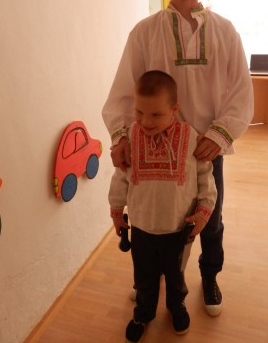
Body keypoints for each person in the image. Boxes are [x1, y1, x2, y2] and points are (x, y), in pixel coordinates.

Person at [102, 0, 254, 318]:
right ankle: (148, 282)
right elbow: (121, 93)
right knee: (152, 223)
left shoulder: (224, 32)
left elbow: (240, 94)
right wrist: (121, 138)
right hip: (152, 149)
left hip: (204, 149)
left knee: (209, 221)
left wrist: (218, 137)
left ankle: (210, 275)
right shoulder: (144, 33)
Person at [109, 70, 217, 342]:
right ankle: (143, 313)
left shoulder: (191, 137)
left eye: (156, 115)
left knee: (176, 274)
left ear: (174, 109)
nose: (145, 121)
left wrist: (204, 212)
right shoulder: (130, 137)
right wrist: (115, 210)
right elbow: (121, 176)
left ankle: (175, 305)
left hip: (178, 228)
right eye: (139, 112)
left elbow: (205, 177)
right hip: (142, 228)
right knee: (144, 277)